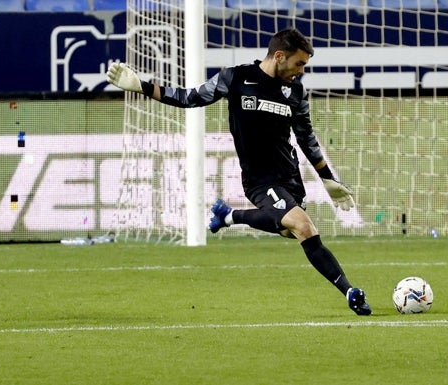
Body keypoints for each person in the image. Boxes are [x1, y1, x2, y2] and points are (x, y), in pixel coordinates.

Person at [106, 28, 371, 316]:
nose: (301, 71)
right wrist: (141, 86)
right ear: (279, 56)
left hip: (290, 177)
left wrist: (327, 178)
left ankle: (229, 216)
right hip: (260, 179)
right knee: (304, 227)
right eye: (299, 63)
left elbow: (306, 137)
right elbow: (188, 97)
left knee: (287, 229)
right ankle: (350, 292)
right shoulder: (235, 78)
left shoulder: (295, 92)